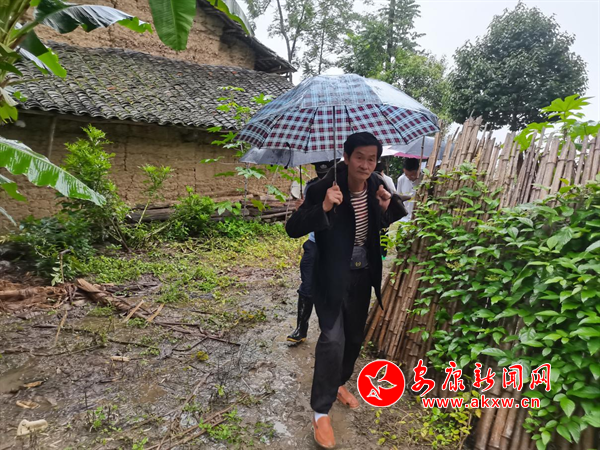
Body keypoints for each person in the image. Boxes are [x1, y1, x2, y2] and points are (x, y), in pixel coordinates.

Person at [286, 132, 407, 449]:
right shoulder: (322, 187)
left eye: (372, 159)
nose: (366, 165)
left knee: (353, 338)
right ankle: (320, 412)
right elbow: (293, 228)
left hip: (362, 274)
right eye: (360, 158)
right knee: (332, 338)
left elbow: (385, 220)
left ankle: (338, 382)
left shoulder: (376, 184)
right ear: (346, 156)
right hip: (330, 276)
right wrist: (324, 207)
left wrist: (387, 205)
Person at [287, 160, 335, 345]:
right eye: (319, 173)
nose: (322, 177)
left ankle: (331, 330)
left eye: (326, 173)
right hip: (314, 243)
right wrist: (301, 210)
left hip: (335, 246)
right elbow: (302, 221)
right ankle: (301, 328)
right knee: (307, 286)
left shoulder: (343, 187)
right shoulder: (311, 187)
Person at [396, 158, 421, 222]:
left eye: (412, 175)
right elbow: (398, 199)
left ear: (418, 170)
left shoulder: (423, 179)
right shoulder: (401, 179)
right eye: (406, 174)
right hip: (404, 218)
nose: (409, 177)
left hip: (419, 218)